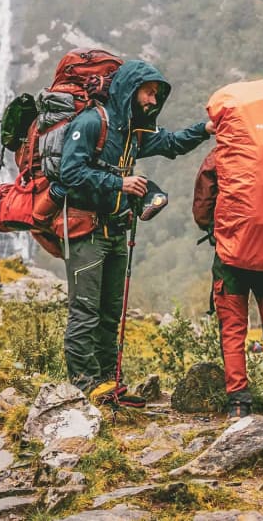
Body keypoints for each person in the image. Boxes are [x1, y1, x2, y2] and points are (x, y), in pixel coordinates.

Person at [52, 59, 212, 394]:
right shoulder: (93, 122)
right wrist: (119, 184)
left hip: (116, 232)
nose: (153, 101)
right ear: (129, 90)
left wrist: (205, 129)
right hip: (86, 232)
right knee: (85, 311)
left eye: (156, 95)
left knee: (111, 312)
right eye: (149, 92)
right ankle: (84, 384)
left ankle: (109, 381)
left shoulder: (132, 133)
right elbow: (70, 172)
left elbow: (171, 143)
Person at [193, 149, 263, 424]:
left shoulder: (220, 155)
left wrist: (216, 226)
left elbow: (202, 211)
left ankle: (239, 404)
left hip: (231, 254)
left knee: (232, 328)